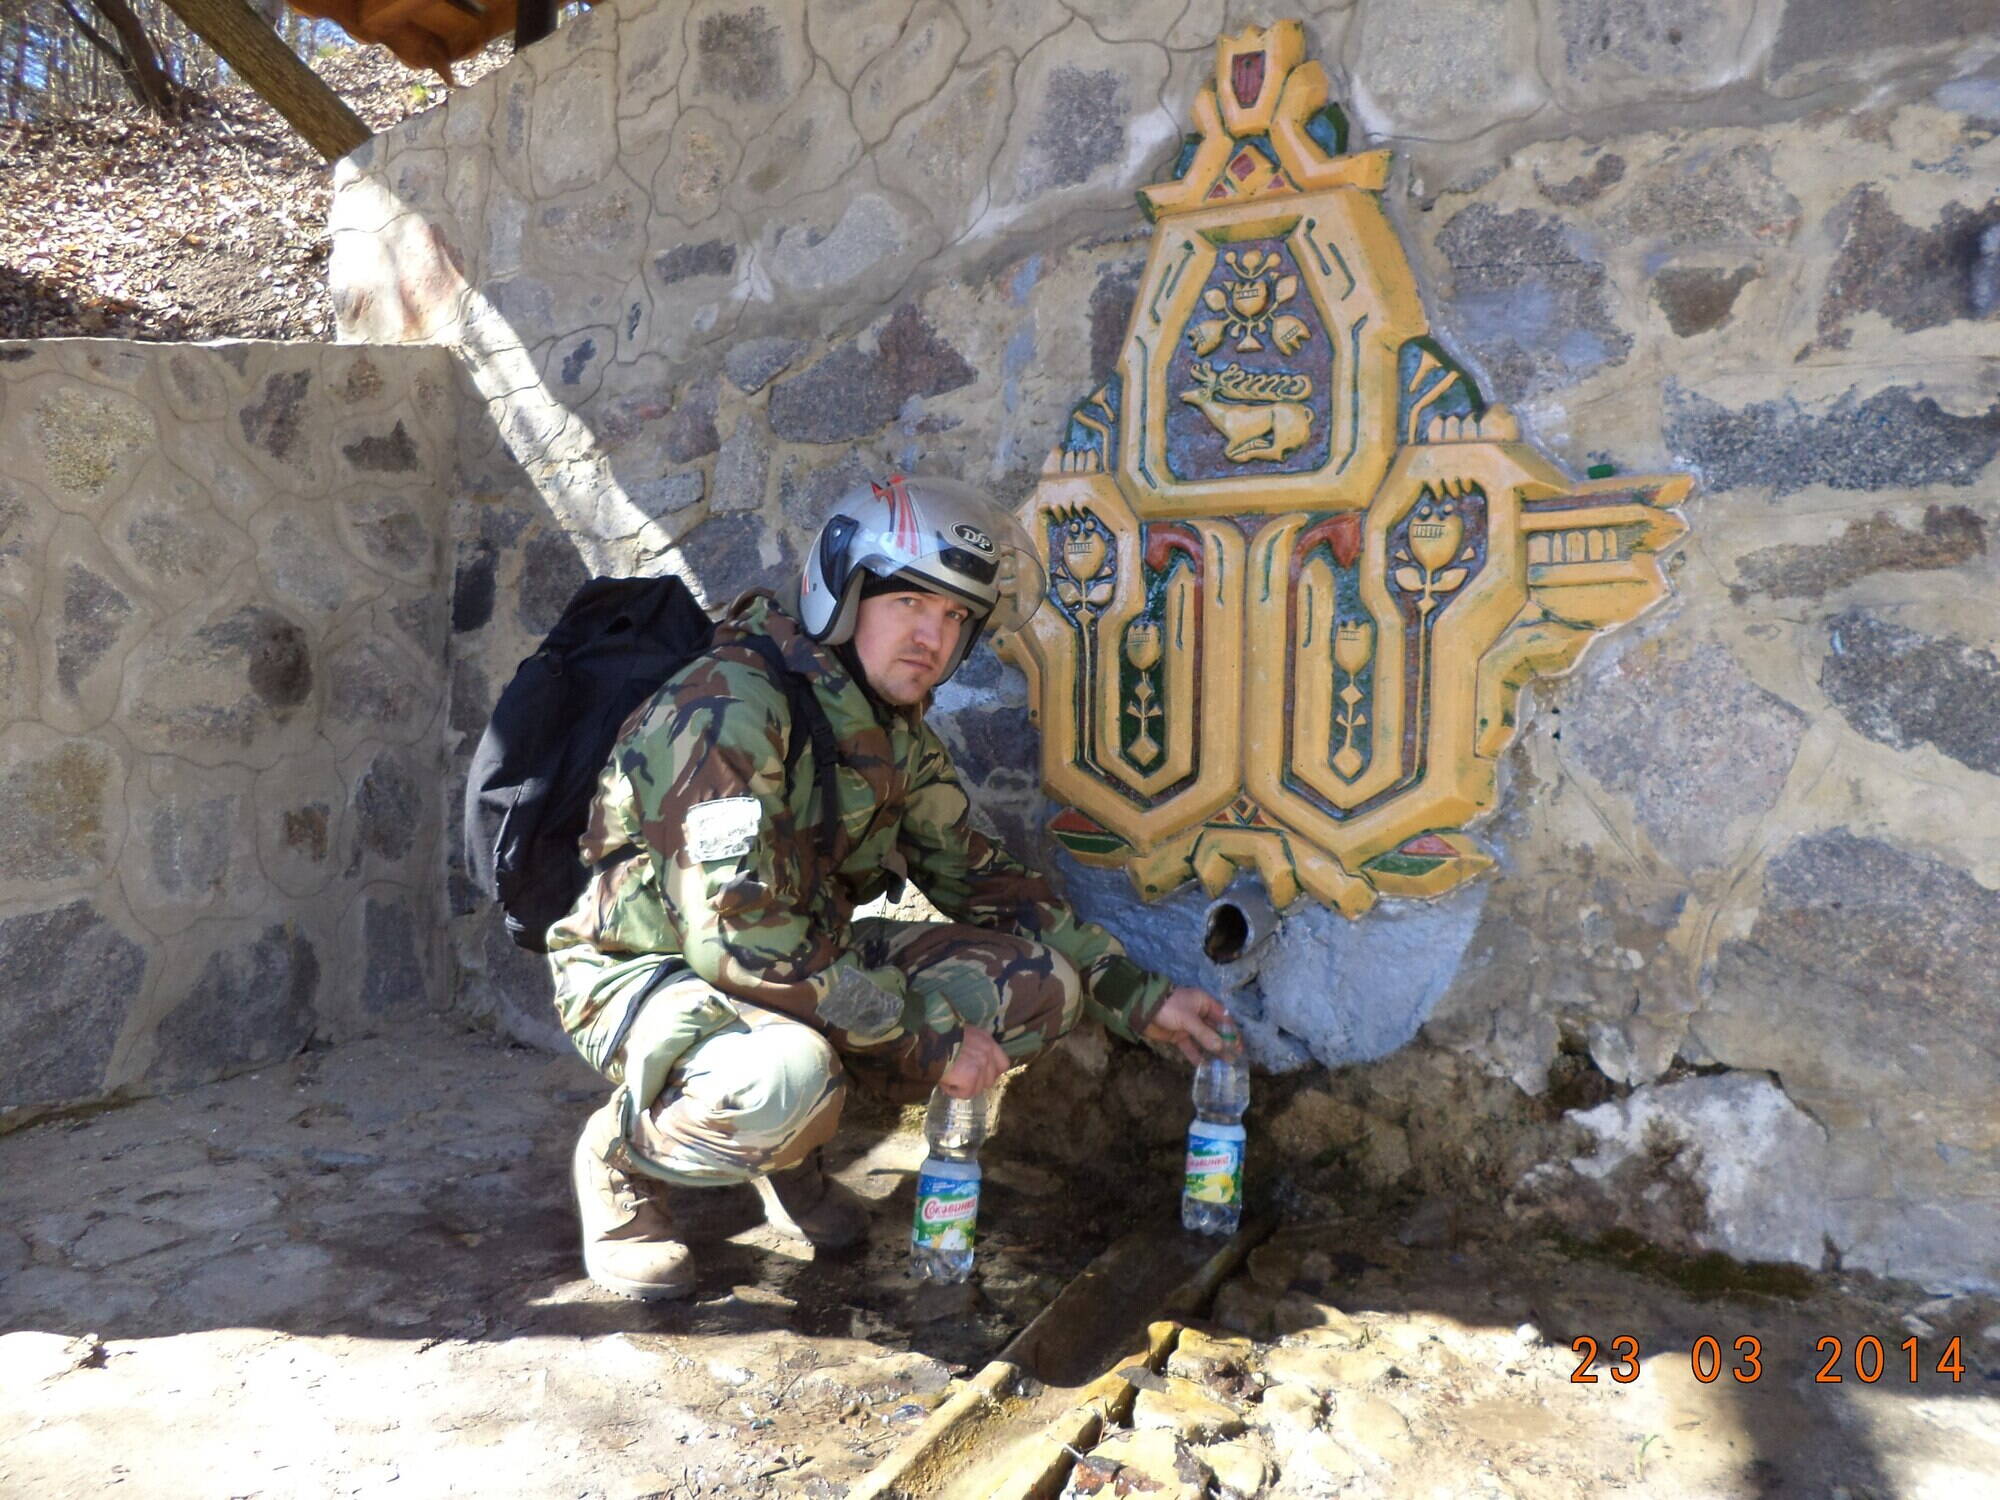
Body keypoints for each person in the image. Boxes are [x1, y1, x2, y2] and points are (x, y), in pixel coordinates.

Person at [545, 473, 1233, 1300]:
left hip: (795, 960)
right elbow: (739, 943)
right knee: (786, 1078)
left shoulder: (887, 731)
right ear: (842, 593)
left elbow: (983, 879)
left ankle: (790, 1148)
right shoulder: (725, 708)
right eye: (909, 601)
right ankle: (622, 1157)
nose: (933, 636)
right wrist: (928, 1037)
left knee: (1039, 987)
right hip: (650, 970)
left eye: (955, 617)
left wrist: (1134, 993)